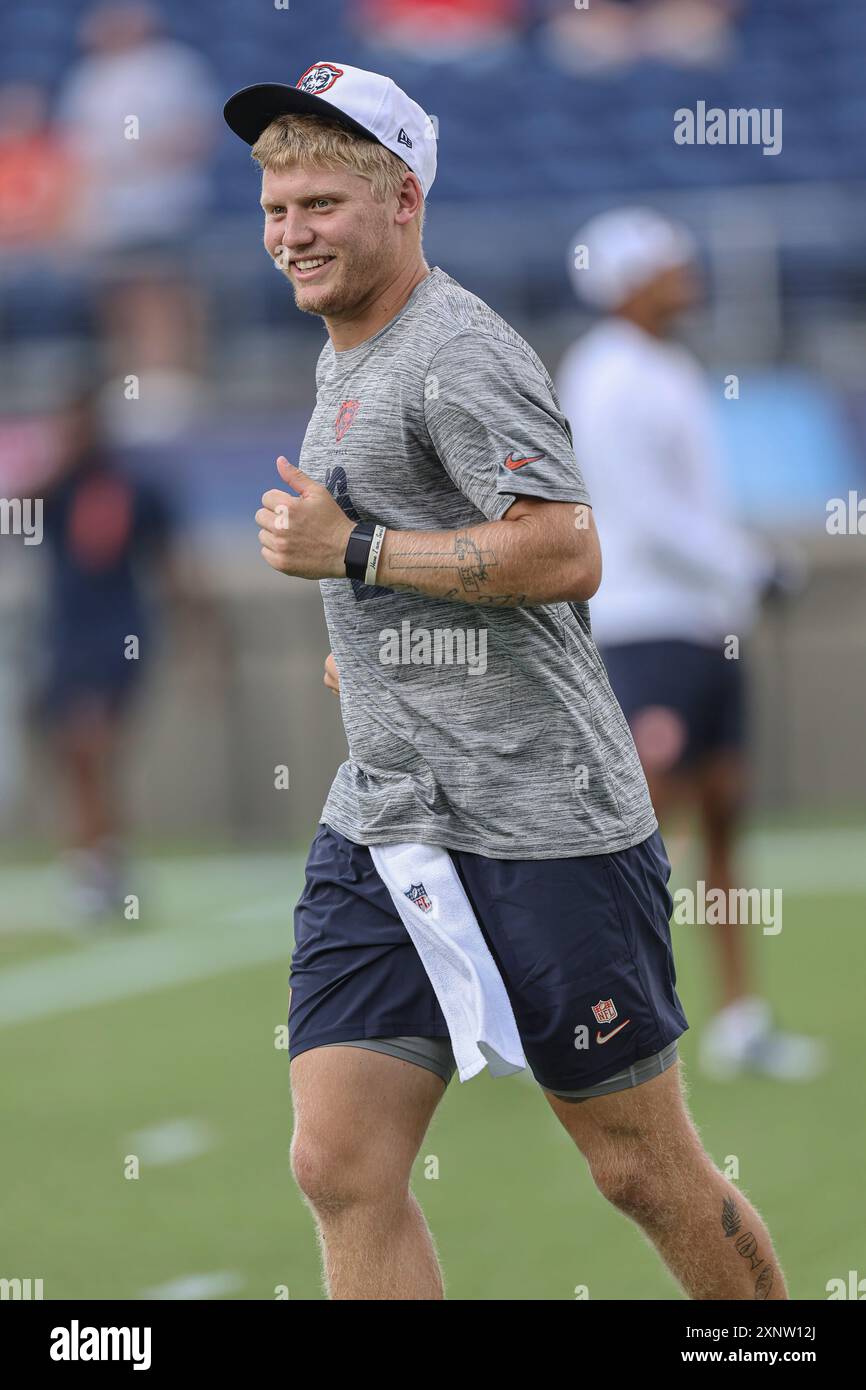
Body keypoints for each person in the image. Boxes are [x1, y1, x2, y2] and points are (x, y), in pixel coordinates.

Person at [225, 62, 788, 1300]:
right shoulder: (346, 353)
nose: (290, 233)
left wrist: (357, 553)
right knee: (338, 1162)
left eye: (320, 203)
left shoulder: (457, 349)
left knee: (642, 1170)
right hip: (385, 815)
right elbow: (431, 569)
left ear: (401, 201)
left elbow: (565, 550)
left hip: (540, 820)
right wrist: (369, 634)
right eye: (274, 208)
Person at [556, 207, 825, 1082]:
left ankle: (740, 1018)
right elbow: (645, 513)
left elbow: (689, 504)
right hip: (644, 625)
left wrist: (734, 575)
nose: (688, 272)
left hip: (699, 625)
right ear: (630, 279)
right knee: (640, 830)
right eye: (670, 263)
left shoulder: (665, 367)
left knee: (722, 817)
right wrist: (750, 567)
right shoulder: (606, 374)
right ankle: (579, 1013)